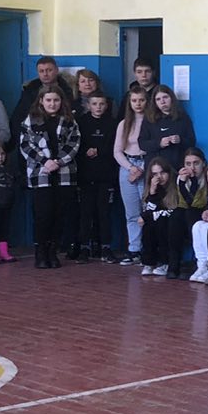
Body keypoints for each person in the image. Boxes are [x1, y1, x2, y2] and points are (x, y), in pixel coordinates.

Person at [19, 85, 80, 269]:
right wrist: (45, 162)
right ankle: (40, 252)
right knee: (43, 215)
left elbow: (74, 143)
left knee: (59, 214)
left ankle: (53, 251)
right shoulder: (31, 121)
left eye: (56, 100)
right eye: (48, 100)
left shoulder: (69, 121)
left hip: (64, 174)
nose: (52, 104)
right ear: (41, 101)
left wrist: (58, 162)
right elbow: (26, 145)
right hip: (41, 174)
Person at [75, 91, 120, 262]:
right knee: (85, 213)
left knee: (104, 213)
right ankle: (84, 247)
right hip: (85, 176)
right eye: (94, 104)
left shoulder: (113, 124)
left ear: (106, 105)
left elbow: (116, 146)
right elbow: (75, 145)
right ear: (88, 105)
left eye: (101, 104)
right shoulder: (81, 122)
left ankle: (105, 247)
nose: (98, 107)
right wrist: (85, 151)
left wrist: (99, 151)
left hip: (106, 175)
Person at [112, 88, 151, 264]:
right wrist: (130, 167)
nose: (138, 104)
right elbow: (117, 151)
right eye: (134, 100)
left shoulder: (152, 122)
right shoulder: (124, 124)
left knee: (148, 210)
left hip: (147, 165)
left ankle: (149, 249)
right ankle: (134, 249)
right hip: (128, 166)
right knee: (132, 212)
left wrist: (142, 168)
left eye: (141, 100)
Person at [169, 148, 208, 279]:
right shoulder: (182, 179)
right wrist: (182, 183)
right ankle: (173, 264)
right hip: (187, 211)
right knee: (176, 216)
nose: (192, 168)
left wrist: (193, 182)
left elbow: (195, 202)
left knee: (190, 214)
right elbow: (184, 203)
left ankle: (198, 263)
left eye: (196, 163)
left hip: (204, 210)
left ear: (203, 163)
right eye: (188, 164)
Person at [138, 158, 179, 277]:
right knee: (148, 225)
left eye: (162, 173)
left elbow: (172, 210)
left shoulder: (175, 185)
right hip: (156, 220)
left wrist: (148, 216)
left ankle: (165, 262)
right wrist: (152, 192)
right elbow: (149, 210)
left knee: (160, 222)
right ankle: (149, 263)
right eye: (155, 174)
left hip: (171, 221)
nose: (159, 177)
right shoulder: (152, 188)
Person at [139, 84, 194, 172]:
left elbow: (191, 142)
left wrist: (180, 140)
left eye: (165, 97)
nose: (162, 101)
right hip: (155, 168)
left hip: (176, 166)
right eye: (158, 99)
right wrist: (159, 143)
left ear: (171, 98)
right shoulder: (149, 119)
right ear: (155, 103)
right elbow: (142, 143)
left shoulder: (183, 117)